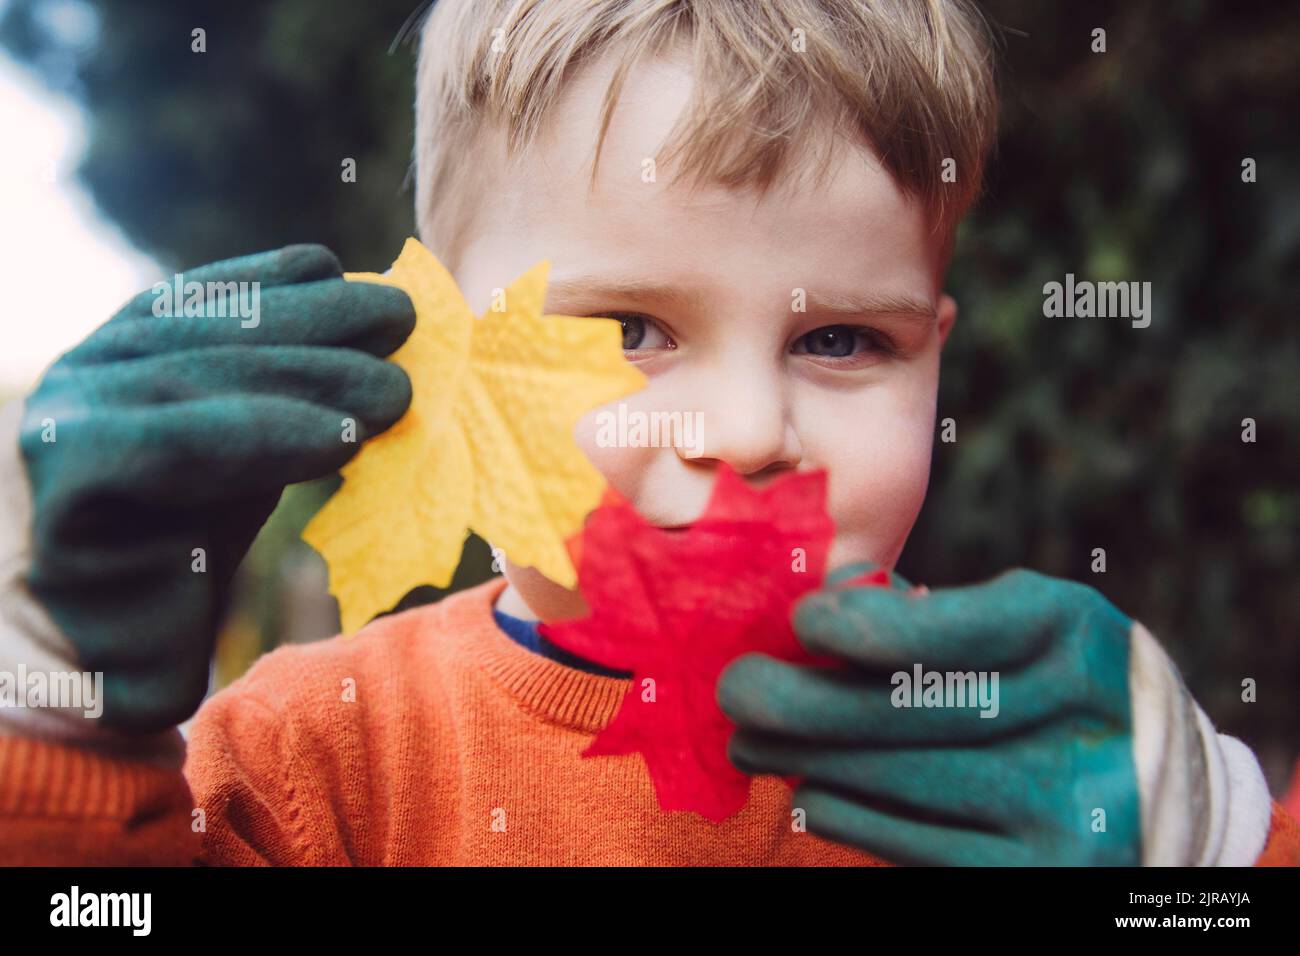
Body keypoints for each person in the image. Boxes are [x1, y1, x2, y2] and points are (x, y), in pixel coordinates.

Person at [1, 0, 1296, 866]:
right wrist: (55, 726)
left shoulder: (1014, 766)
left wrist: (1216, 853)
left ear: (936, 350)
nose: (741, 432)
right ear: (441, 347)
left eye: (842, 341)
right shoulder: (314, 759)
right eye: (627, 330)